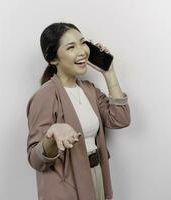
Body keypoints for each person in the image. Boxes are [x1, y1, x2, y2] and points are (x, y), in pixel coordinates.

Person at [26, 22, 131, 200]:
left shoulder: (89, 90)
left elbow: (120, 119)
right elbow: (35, 159)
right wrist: (52, 135)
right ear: (53, 59)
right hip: (66, 187)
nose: (82, 51)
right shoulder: (44, 96)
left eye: (83, 43)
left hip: (96, 175)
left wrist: (109, 72)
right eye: (71, 47)